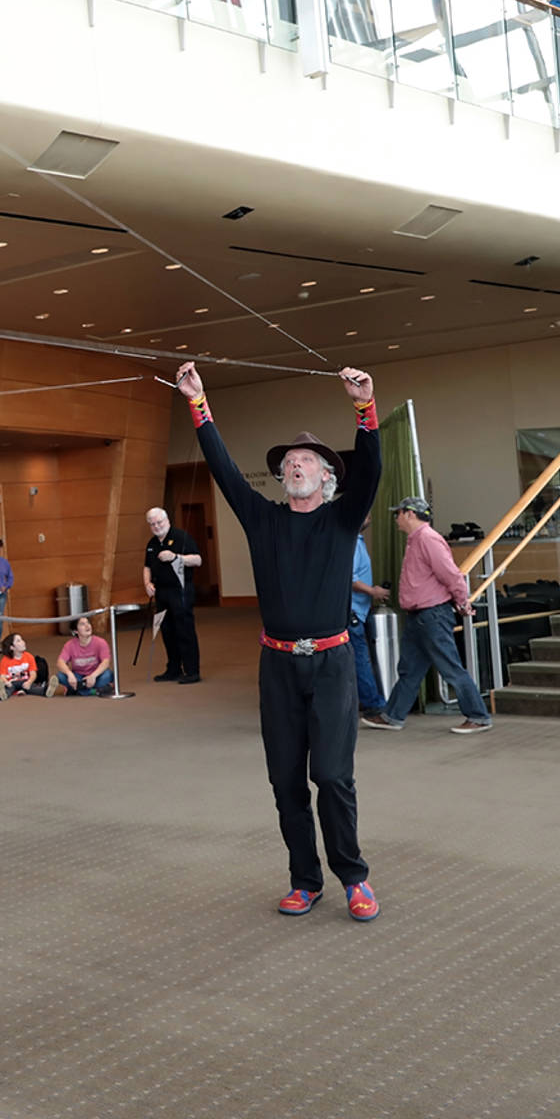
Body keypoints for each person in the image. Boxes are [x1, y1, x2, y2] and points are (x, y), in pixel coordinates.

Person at [178, 359, 384, 921]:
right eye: (289, 462)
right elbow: (223, 470)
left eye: (307, 462)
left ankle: (354, 879)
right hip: (277, 668)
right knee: (285, 778)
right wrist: (199, 404)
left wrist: (364, 407)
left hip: (333, 662)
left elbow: (370, 470)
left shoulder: (343, 521)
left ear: (326, 478)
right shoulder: (263, 520)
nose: (295, 466)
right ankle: (304, 878)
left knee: (333, 777)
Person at [362, 497, 493, 735]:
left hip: (432, 614)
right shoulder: (417, 540)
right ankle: (393, 715)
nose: (396, 519)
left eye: (398, 514)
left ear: (410, 514)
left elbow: (451, 575)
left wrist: (462, 601)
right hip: (420, 616)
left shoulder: (427, 539)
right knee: (410, 669)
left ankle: (478, 716)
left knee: (450, 666)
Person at [143, 507, 203, 684]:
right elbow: (146, 566)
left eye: (159, 522)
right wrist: (147, 583)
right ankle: (173, 669)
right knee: (167, 631)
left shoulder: (181, 537)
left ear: (167, 520)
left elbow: (198, 560)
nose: (156, 526)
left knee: (184, 630)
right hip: (161, 593)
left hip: (181, 590)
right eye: (152, 524)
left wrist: (176, 557)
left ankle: (192, 671)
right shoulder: (151, 544)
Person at [349, 518, 392, 721]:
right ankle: (373, 706)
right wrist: (372, 591)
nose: (369, 518)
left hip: (360, 609)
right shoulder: (350, 542)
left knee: (356, 659)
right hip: (352, 612)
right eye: (365, 514)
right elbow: (350, 578)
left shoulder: (357, 540)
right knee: (360, 659)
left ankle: (361, 699)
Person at [53, 616, 115, 696]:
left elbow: (106, 662)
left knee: (108, 675)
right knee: (60, 676)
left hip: (96, 676)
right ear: (76, 631)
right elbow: (60, 662)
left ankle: (76, 690)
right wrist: (69, 674)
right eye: (82, 624)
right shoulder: (69, 645)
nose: (87, 626)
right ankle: (95, 691)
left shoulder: (100, 642)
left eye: (88, 623)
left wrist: (93, 676)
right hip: (78, 677)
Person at [0, 632, 49, 698]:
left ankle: (46, 691)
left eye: (22, 640)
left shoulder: (29, 657)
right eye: (18, 641)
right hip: (12, 682)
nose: (23, 642)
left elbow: (33, 673)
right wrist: (6, 682)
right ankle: (3, 694)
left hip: (25, 681)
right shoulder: (5, 660)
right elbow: (2, 676)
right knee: (9, 689)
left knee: (32, 688)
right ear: (12, 647)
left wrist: (29, 682)